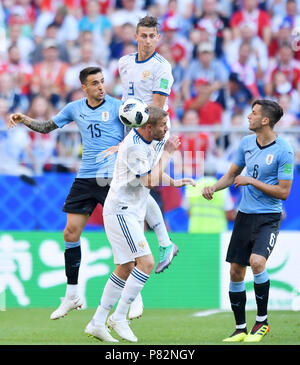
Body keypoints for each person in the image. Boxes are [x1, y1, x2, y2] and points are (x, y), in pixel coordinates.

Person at [8, 66, 125, 319]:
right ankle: (72, 294)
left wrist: (123, 147)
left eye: (103, 82)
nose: (101, 87)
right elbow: (48, 126)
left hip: (111, 179)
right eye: (95, 83)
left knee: (121, 234)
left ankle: (133, 297)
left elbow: (137, 131)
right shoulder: (74, 108)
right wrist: (24, 119)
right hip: (85, 177)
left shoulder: (118, 106)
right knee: (70, 232)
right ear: (84, 87)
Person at [85, 105, 195, 342]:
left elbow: (154, 170)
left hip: (133, 210)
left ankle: (97, 322)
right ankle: (120, 317)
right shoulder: (134, 146)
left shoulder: (155, 139)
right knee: (145, 263)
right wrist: (168, 153)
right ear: (148, 127)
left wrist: (174, 181)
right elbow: (149, 181)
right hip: (121, 211)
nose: (166, 129)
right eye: (163, 125)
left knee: (124, 268)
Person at [202, 99, 294, 342]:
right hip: (245, 216)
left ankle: (262, 323)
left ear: (265, 120)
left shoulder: (284, 150)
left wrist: (251, 181)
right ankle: (240, 328)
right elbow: (232, 174)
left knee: (257, 262)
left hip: (269, 217)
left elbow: (284, 192)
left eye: (253, 114)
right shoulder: (245, 144)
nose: (248, 117)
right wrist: (213, 187)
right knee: (235, 271)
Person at [116, 15, 178, 319]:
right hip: (131, 133)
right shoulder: (124, 63)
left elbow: (155, 108)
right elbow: (127, 100)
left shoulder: (161, 68)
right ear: (135, 36)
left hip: (151, 132)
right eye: (143, 35)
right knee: (135, 192)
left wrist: (144, 135)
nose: (148, 40)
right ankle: (165, 245)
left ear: (158, 37)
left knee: (142, 188)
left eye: (153, 35)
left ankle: (162, 247)